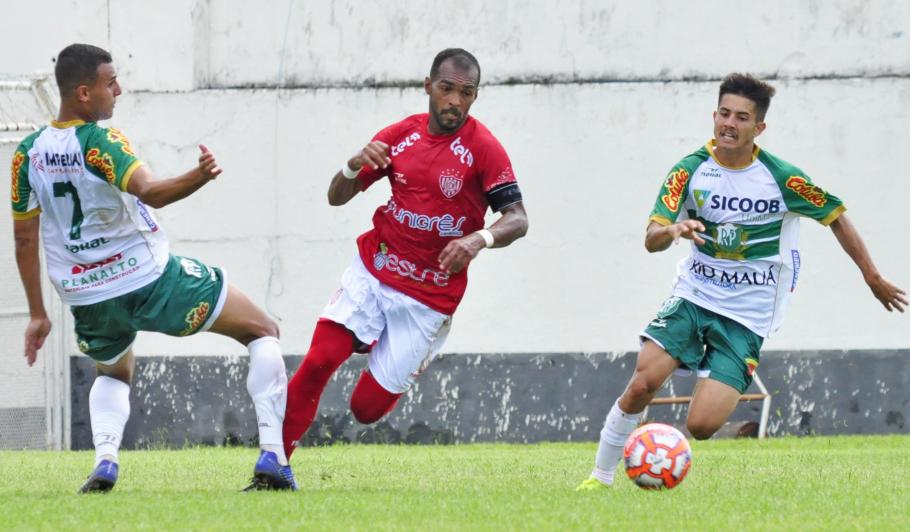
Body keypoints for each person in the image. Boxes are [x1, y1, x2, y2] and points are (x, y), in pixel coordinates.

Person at [576, 73, 907, 491]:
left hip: (748, 315)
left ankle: (708, 378)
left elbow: (836, 216)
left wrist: (872, 277)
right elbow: (651, 238)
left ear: (759, 127)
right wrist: (674, 230)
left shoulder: (782, 178)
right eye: (724, 114)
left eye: (741, 117)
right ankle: (600, 477)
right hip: (694, 295)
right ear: (714, 116)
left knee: (702, 426)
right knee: (642, 383)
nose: (729, 124)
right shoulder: (689, 170)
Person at [11, 44, 296, 492]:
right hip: (150, 280)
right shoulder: (100, 141)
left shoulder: (27, 154)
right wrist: (198, 175)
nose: (118, 90)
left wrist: (37, 313)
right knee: (263, 330)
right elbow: (151, 192)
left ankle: (105, 461)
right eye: (110, 83)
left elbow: (25, 239)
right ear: (83, 93)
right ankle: (274, 458)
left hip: (88, 297)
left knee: (114, 371)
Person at [281, 48, 529, 458]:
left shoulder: (484, 148)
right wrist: (352, 166)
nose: (455, 101)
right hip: (376, 269)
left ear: (474, 96)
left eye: (466, 93)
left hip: (428, 297)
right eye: (447, 89)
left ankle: (392, 347)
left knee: (366, 409)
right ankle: (273, 463)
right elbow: (336, 197)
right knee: (319, 360)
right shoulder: (400, 135)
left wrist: (478, 239)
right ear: (428, 86)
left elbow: (518, 218)